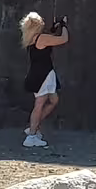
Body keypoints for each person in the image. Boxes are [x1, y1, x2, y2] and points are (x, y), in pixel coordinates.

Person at [20, 10, 68, 148]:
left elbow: (49, 40)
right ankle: (31, 136)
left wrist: (55, 28)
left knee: (53, 100)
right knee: (39, 104)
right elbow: (63, 39)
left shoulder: (32, 38)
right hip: (44, 75)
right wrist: (64, 25)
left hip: (43, 74)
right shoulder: (41, 38)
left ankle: (33, 128)